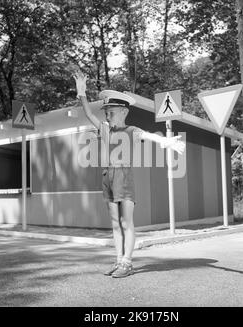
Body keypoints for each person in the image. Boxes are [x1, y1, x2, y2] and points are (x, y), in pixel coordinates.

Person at [72, 66, 185, 278]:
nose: (107, 116)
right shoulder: (104, 130)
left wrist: (167, 141)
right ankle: (118, 260)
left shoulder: (131, 131)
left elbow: (151, 136)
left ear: (124, 112)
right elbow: (88, 113)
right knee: (114, 223)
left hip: (123, 177)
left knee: (126, 222)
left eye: (111, 113)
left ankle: (128, 262)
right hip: (107, 177)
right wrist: (82, 93)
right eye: (106, 113)